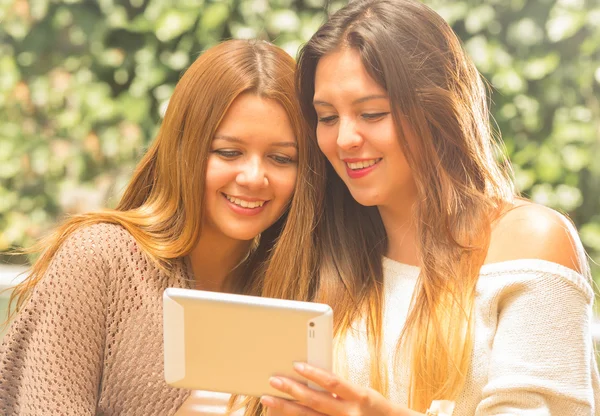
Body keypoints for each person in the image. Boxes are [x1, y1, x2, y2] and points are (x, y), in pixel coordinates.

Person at [255, 1, 600, 415]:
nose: (344, 138)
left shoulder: (530, 244)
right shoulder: (319, 254)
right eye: (327, 117)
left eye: (372, 113)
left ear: (436, 109)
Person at [0, 39, 324, 415]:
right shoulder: (100, 259)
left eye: (281, 158)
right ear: (184, 148)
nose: (254, 177)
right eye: (228, 152)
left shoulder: (296, 294)